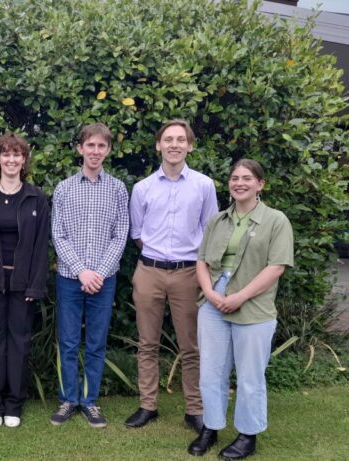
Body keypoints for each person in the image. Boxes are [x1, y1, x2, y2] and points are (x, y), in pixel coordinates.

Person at [186, 159, 293, 459]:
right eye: (234, 178)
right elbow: (202, 261)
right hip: (213, 301)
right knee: (211, 371)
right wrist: (209, 293)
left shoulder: (276, 220)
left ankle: (248, 435)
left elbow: (276, 267)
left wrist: (240, 297)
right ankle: (211, 426)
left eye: (247, 178)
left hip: (253, 304)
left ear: (260, 184)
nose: (239, 183)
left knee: (249, 375)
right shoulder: (217, 221)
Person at [125, 119, 218, 433]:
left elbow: (210, 232)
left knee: (190, 346)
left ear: (190, 146)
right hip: (149, 271)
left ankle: (195, 410)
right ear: (158, 145)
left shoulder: (204, 186)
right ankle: (147, 405)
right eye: (168, 139)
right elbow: (138, 233)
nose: (174, 144)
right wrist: (156, 258)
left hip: (188, 273)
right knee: (147, 343)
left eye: (181, 139)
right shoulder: (143, 188)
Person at [49, 123, 129, 428]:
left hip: (104, 278)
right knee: (68, 341)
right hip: (70, 276)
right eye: (90, 146)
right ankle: (68, 399)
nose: (95, 151)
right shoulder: (64, 188)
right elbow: (59, 234)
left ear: (108, 150)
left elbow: (120, 234)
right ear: (80, 148)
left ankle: (90, 401)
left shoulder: (118, 189)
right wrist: (82, 271)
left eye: (101, 146)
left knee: (95, 342)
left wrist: (99, 272)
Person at [0, 133, 50, 428]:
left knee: (19, 343)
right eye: (6, 154)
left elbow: (42, 245)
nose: (12, 159)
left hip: (22, 283)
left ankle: (14, 404)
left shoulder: (36, 198)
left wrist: (34, 284)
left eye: (17, 154)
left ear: (24, 160)